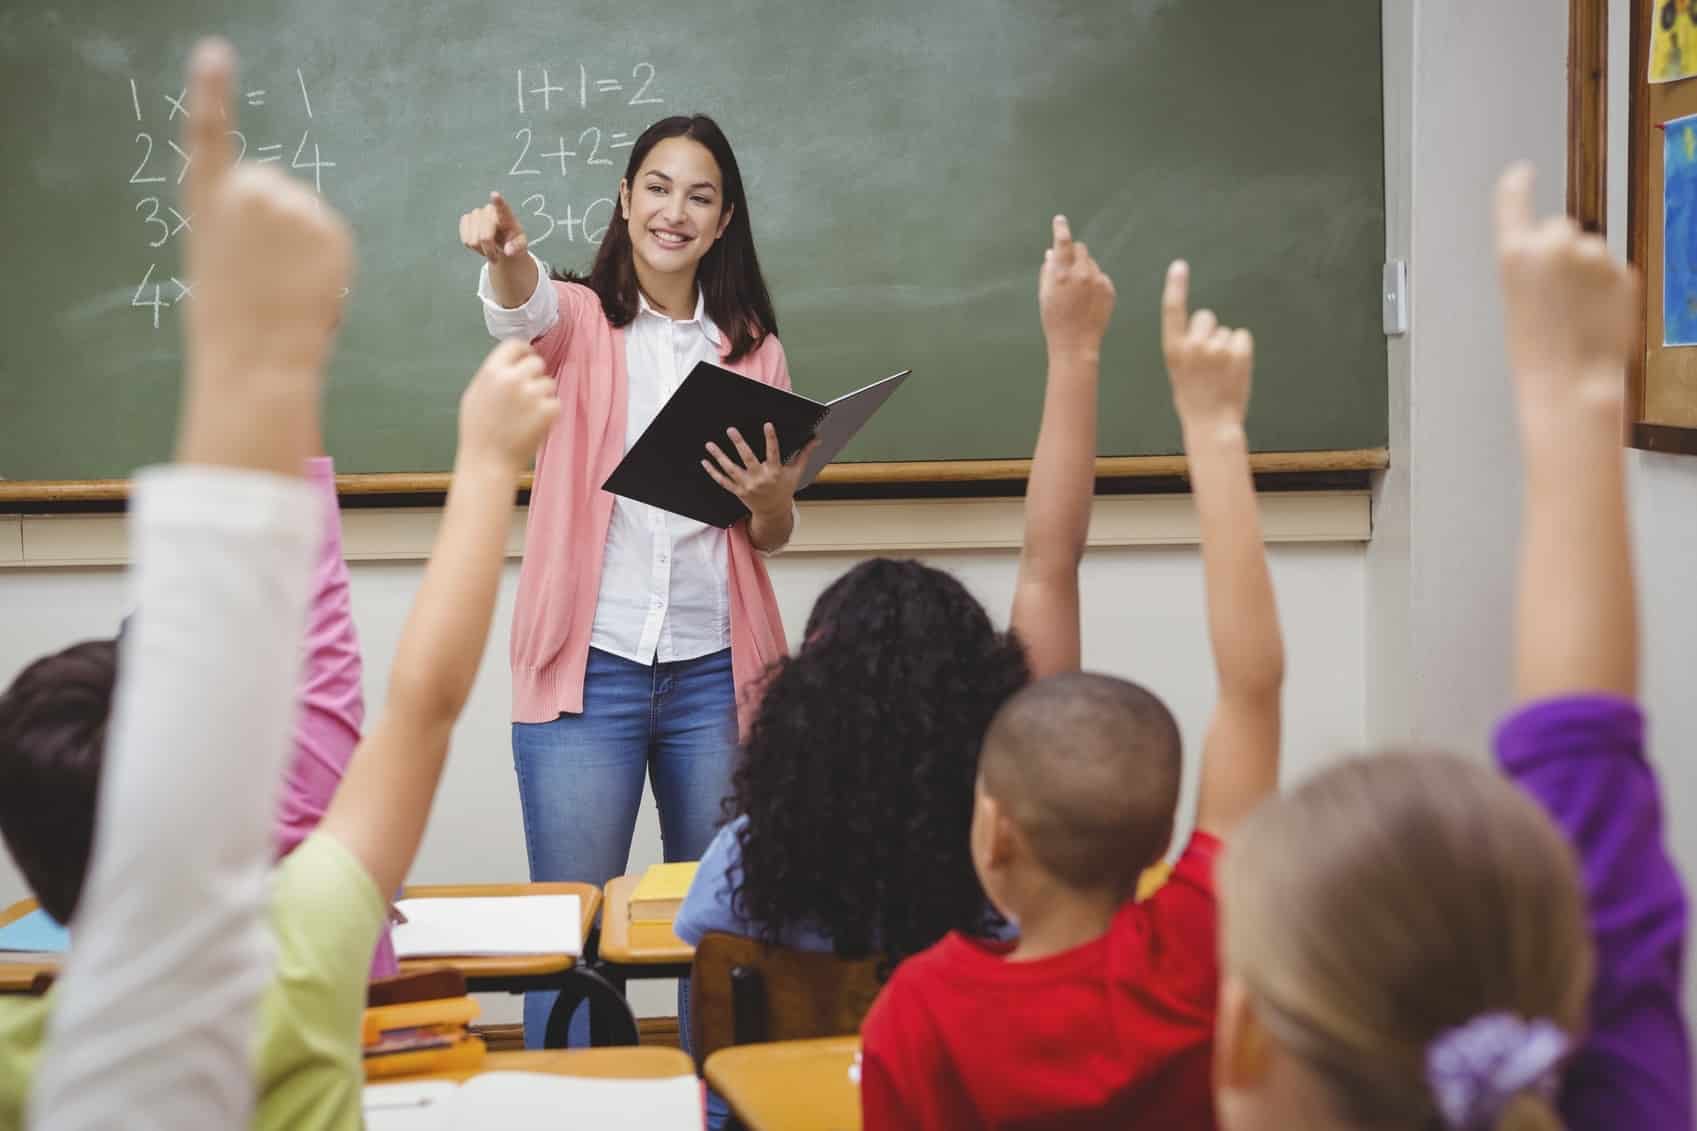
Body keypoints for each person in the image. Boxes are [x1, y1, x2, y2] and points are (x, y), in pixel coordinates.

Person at [1, 39, 563, 1129]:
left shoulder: (24, 1063)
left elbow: (403, 706)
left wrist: (266, 357)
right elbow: (424, 704)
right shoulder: (297, 966)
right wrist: (491, 462)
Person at [857, 260, 1284, 1129]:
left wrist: (1075, 351)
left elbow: (1047, 575)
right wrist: (1214, 429)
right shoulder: (1198, 948)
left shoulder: (920, 1008)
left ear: (994, 828)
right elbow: (1252, 690)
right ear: (1163, 837)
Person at [674, 215, 1109, 969]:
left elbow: (705, 958)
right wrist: (1075, 351)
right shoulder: (1007, 847)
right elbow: (1051, 564)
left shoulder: (756, 856)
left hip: (774, 1094)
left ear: (807, 699)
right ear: (983, 686)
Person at [459, 113, 804, 1046]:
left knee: (719, 932)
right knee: (572, 936)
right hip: (591, 669)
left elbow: (767, 533)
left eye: (698, 195)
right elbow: (519, 309)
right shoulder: (576, 317)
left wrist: (770, 498)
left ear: (724, 219)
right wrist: (504, 257)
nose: (674, 210)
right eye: (656, 187)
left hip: (713, 673)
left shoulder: (752, 347)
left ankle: (719, 1105)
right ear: (624, 199)